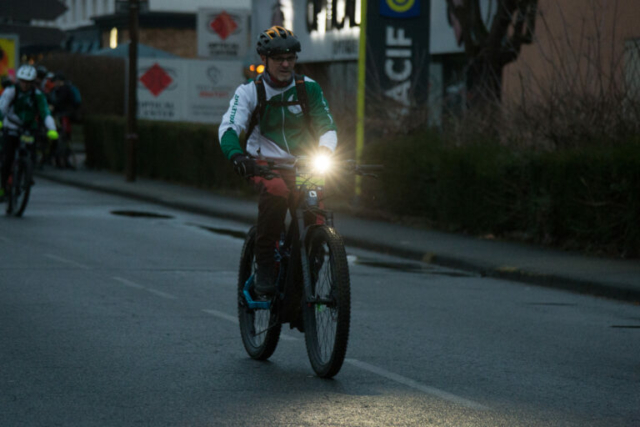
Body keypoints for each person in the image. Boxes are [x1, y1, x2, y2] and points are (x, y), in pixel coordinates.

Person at [218, 26, 338, 299]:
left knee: (316, 212)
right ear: (264, 59)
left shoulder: (308, 89)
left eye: (291, 58)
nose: (286, 64)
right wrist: (237, 156)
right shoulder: (249, 92)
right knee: (276, 191)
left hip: (305, 164)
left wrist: (326, 153)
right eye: (279, 58)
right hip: (264, 164)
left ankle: (307, 275)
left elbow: (327, 127)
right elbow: (229, 127)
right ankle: (265, 265)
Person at [0, 65, 58, 200]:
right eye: (22, 81)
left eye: (28, 82)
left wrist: (52, 129)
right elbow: (2, 107)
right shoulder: (11, 91)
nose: (25, 85)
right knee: (7, 157)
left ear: (32, 82)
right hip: (12, 126)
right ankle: (2, 186)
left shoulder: (37, 95)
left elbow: (45, 113)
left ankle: (26, 173)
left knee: (30, 154)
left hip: (28, 128)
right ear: (19, 80)